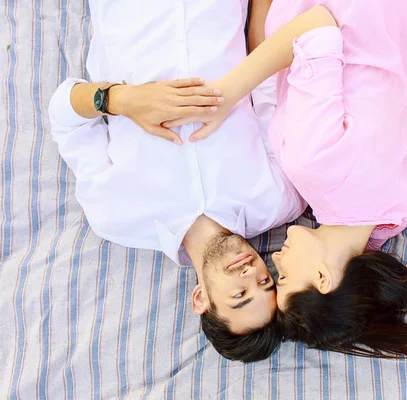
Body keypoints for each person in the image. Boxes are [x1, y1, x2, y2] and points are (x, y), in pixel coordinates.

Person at [184, 3, 407, 357]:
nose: (274, 260)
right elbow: (316, 27)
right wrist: (226, 94)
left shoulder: (387, 217)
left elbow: (357, 287)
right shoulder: (316, 167)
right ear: (322, 279)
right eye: (285, 278)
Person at [47, 0, 305, 362]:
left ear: (201, 298)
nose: (251, 273)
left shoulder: (116, 217)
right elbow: (267, 84)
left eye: (240, 295)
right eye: (265, 282)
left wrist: (125, 99)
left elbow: (63, 115)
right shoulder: (279, 198)